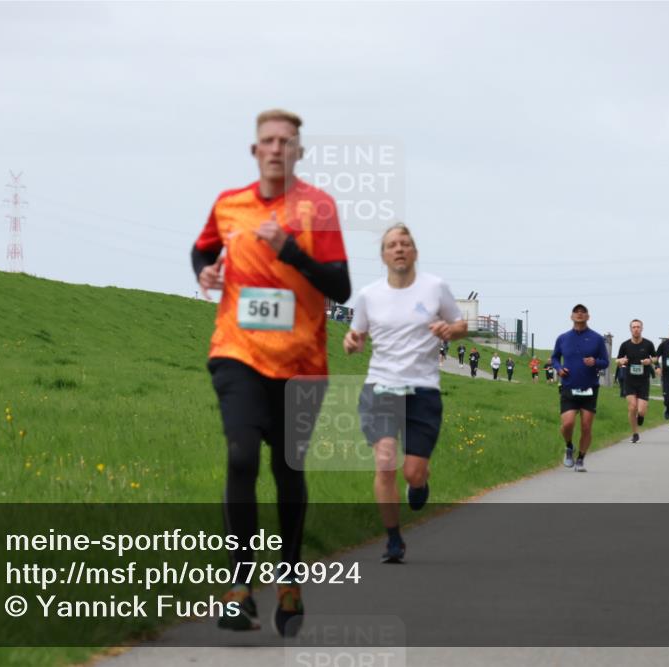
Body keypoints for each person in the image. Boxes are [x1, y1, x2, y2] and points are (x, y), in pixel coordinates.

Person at [191, 109, 351, 636]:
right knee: (240, 454)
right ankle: (239, 587)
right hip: (236, 351)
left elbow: (340, 286)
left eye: (287, 141)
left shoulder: (318, 208)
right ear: (255, 151)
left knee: (287, 471)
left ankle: (288, 580)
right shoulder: (229, 204)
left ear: (299, 152)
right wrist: (206, 272)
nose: (277, 148)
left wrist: (291, 251)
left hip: (302, 363)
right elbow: (202, 249)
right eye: (268, 141)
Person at [344, 223, 467, 563]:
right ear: (383, 255)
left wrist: (449, 329)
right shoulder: (369, 296)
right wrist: (352, 341)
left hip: (423, 389)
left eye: (405, 243)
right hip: (381, 386)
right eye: (392, 245)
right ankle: (393, 539)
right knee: (385, 461)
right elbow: (356, 335)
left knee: (412, 471)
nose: (399, 249)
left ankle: (419, 483)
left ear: (414, 251)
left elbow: (461, 326)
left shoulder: (435, 288)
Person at [551, 304, 610, 472]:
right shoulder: (562, 338)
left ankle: (581, 459)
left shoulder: (597, 339)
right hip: (569, 386)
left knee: (586, 426)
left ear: (588, 317)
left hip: (589, 388)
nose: (579, 314)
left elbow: (605, 362)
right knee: (568, 424)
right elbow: (555, 358)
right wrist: (559, 369)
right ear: (571, 317)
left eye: (583, 312)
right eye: (576, 312)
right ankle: (569, 446)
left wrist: (595, 362)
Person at [615, 319, 657, 444]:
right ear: (630, 329)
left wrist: (649, 361)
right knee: (632, 407)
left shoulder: (648, 344)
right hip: (629, 380)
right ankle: (635, 434)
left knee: (641, 410)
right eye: (634, 327)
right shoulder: (625, 345)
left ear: (642, 328)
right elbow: (617, 360)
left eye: (638, 327)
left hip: (643, 381)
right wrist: (621, 361)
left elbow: (655, 358)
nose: (636, 329)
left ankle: (641, 416)